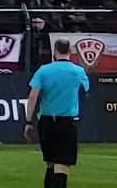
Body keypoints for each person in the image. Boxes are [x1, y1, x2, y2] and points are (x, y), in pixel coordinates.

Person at [25, 37, 90, 188]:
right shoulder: (78, 71)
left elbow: (33, 96)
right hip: (66, 122)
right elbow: (86, 91)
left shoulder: (43, 70)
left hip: (46, 122)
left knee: (50, 163)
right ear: (70, 51)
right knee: (62, 165)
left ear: (54, 52)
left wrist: (29, 121)